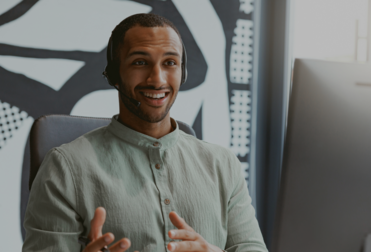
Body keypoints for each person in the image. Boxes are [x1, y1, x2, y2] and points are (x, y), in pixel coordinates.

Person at [22, 13, 267, 252]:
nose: (157, 79)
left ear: (183, 73)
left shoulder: (223, 165)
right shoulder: (64, 168)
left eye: (170, 63)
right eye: (140, 62)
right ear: (115, 74)